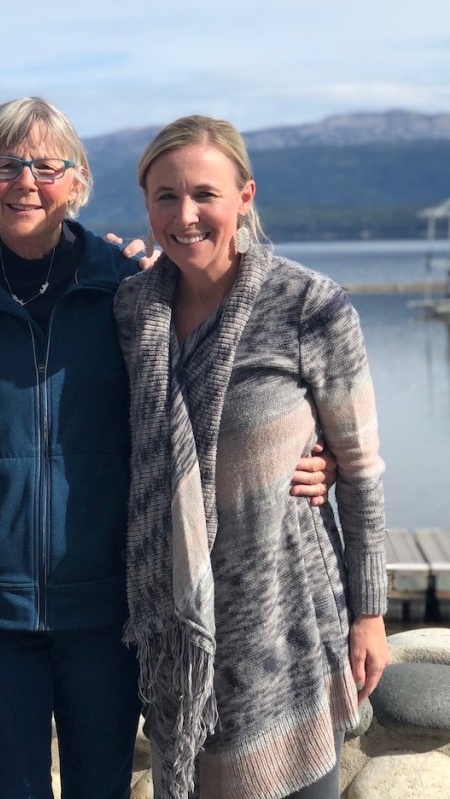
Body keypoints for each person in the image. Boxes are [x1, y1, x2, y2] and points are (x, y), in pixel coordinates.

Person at [0, 99, 335, 799]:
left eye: (46, 165)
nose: (25, 181)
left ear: (77, 178)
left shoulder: (131, 288)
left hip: (111, 607)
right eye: (5, 164)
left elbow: (229, 380)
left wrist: (312, 444)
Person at [114, 115, 389, 799]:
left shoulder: (309, 305)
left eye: (205, 194)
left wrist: (371, 611)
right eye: (165, 197)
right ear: (145, 204)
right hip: (183, 635)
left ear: (245, 197)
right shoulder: (131, 313)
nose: (185, 215)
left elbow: (358, 472)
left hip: (287, 622)